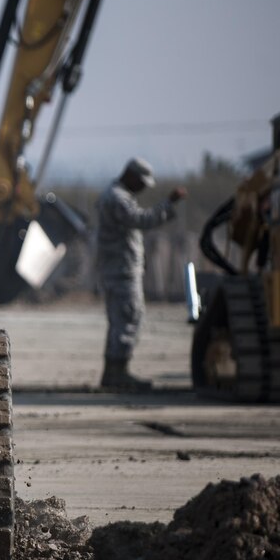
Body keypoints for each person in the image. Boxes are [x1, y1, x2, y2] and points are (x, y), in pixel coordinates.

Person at [96, 157, 187, 391]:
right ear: (130, 176)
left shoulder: (116, 195)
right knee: (128, 318)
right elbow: (141, 219)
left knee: (120, 320)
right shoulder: (117, 198)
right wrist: (168, 204)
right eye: (142, 182)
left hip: (118, 268)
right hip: (121, 270)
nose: (144, 188)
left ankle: (113, 372)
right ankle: (118, 372)